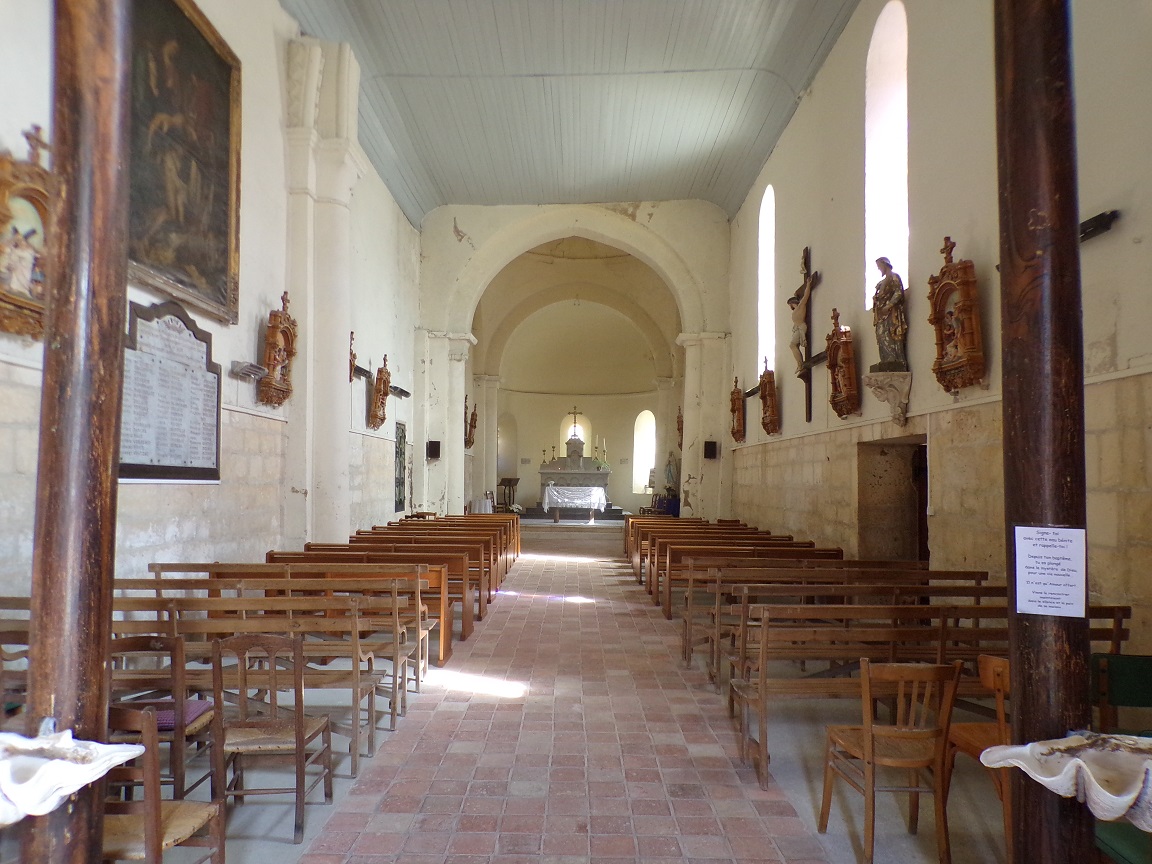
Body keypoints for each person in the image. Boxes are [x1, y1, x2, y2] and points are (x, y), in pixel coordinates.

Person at [871, 257, 908, 370]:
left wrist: (889, 305)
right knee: (882, 336)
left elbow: (898, 292)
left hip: (891, 314)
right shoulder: (880, 283)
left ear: (885, 265)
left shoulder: (894, 277)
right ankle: (886, 360)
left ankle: (896, 362)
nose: (879, 269)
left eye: (879, 267)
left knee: (892, 334)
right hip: (880, 315)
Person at [788, 250, 817, 374]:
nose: (790, 307)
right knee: (792, 345)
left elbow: (805, 296)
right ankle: (799, 364)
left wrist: (809, 284)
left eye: (790, 304)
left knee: (792, 345)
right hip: (798, 328)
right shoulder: (797, 308)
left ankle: (800, 364)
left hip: (801, 328)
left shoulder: (800, 306)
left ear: (792, 303)